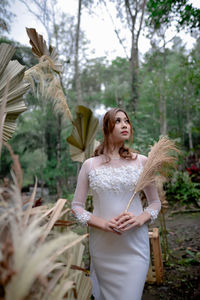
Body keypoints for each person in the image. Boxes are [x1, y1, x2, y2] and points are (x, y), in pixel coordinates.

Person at [72, 108, 161, 300]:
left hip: (134, 245)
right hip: (104, 247)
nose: (124, 125)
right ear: (107, 127)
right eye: (118, 121)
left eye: (127, 121)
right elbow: (76, 206)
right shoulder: (90, 165)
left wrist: (139, 220)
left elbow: (155, 203)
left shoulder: (142, 162)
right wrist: (103, 224)